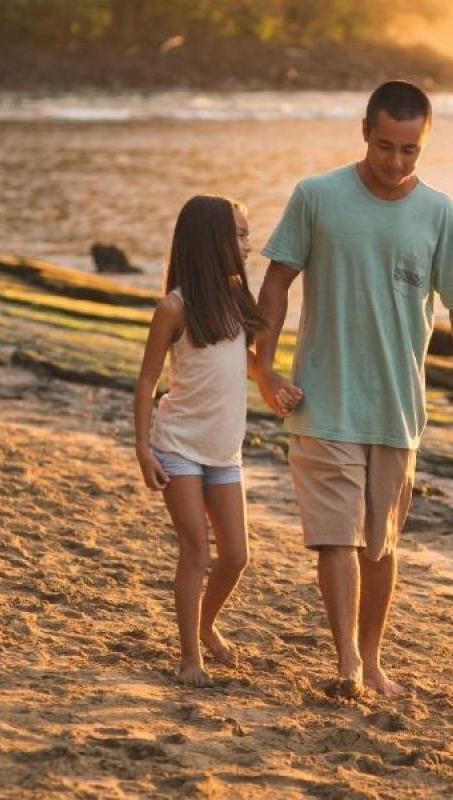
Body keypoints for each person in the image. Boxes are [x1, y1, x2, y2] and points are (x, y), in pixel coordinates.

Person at [253, 80, 453, 698]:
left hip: (396, 407)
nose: (395, 162)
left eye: (410, 150)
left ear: (425, 143)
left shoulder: (441, 214)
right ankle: (347, 664)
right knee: (338, 537)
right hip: (321, 400)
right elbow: (277, 281)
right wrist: (265, 365)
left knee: (380, 547)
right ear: (364, 131)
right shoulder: (317, 197)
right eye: (386, 146)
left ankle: (374, 657)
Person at [134, 195, 293, 686]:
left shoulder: (234, 301)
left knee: (237, 557)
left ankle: (206, 625)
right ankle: (188, 658)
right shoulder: (173, 307)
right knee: (196, 552)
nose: (249, 245)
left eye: (247, 234)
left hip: (225, 452)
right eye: (240, 235)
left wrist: (271, 381)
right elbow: (146, 381)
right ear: (211, 241)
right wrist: (143, 449)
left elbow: (241, 360)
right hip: (178, 445)